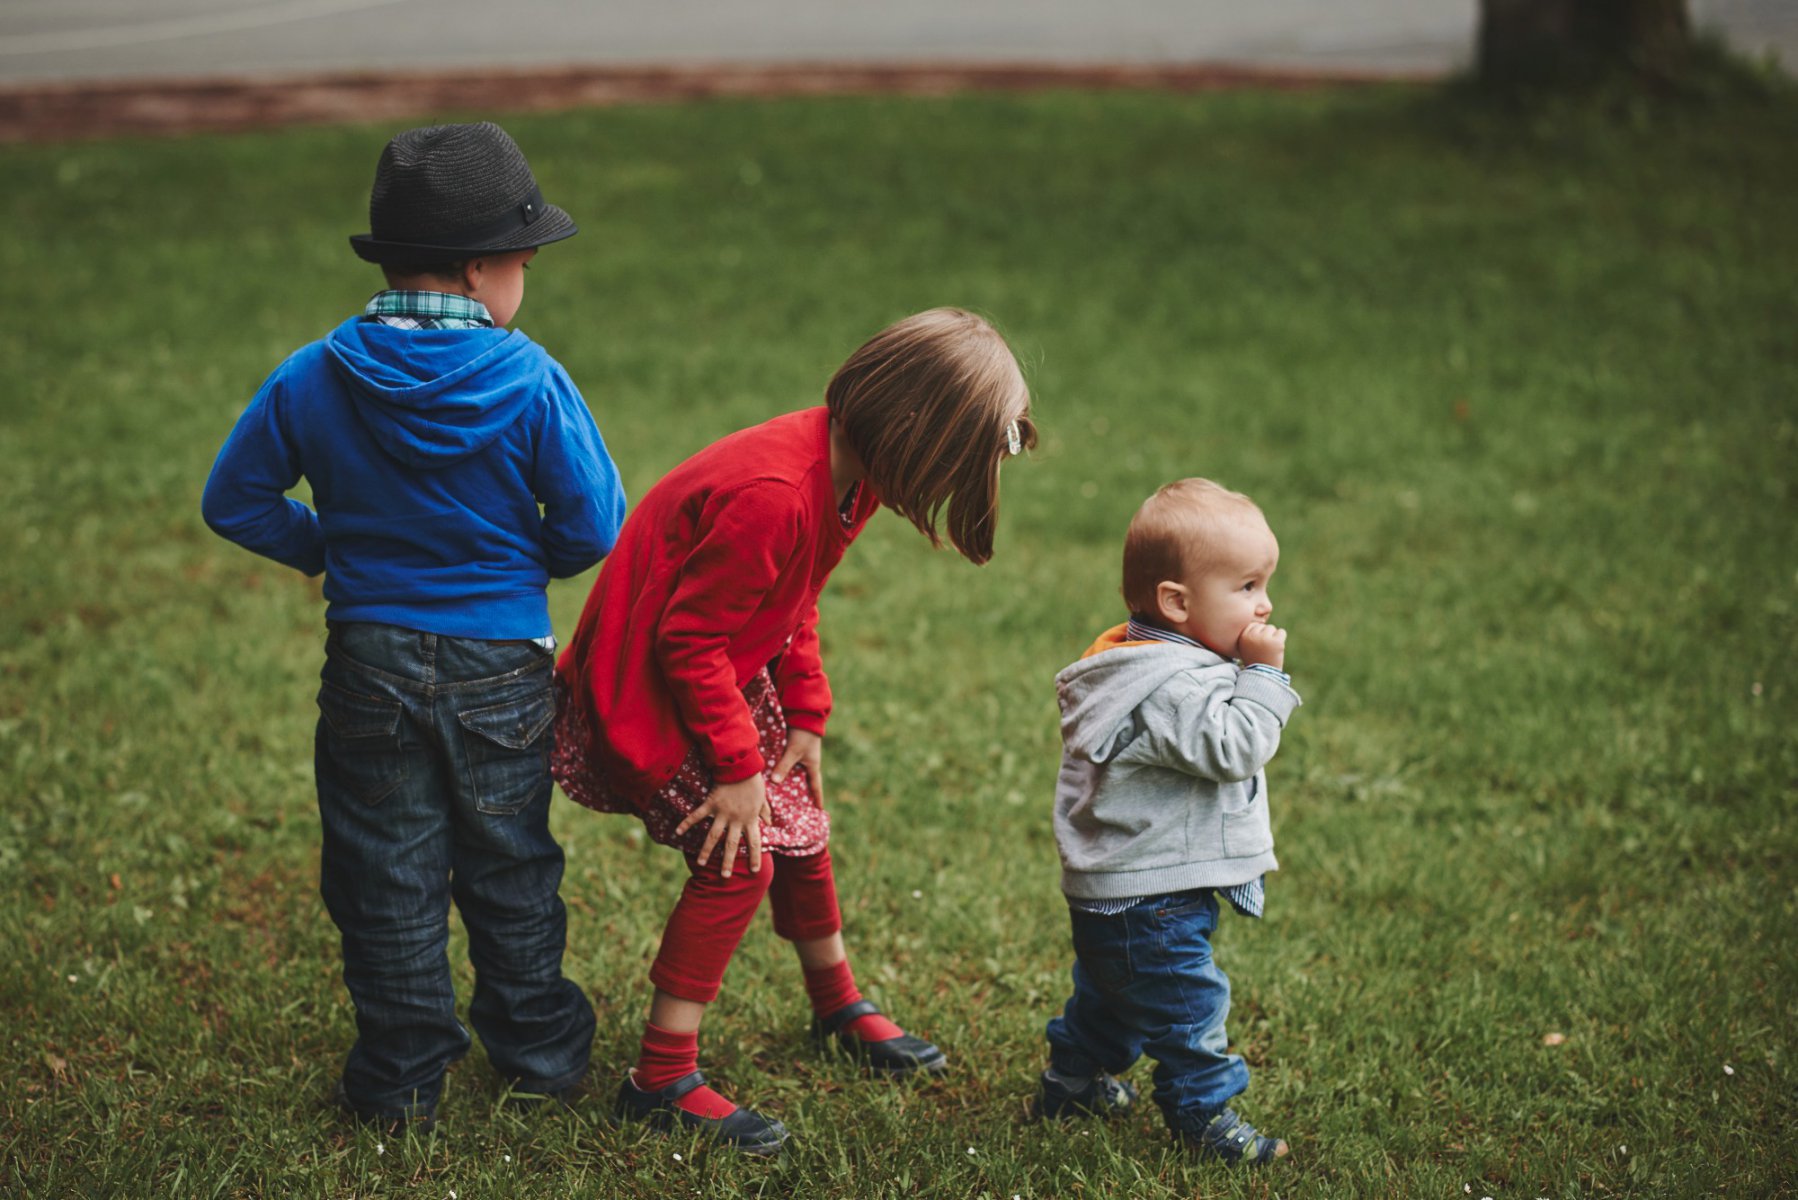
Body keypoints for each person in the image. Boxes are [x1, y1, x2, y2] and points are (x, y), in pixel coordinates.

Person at [200, 122, 625, 1133]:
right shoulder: (530, 378)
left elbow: (236, 500)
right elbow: (593, 525)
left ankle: (398, 1081)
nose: (524, 282)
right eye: (524, 263)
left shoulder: (313, 374)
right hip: (501, 667)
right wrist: (519, 567)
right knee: (510, 862)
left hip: (368, 662)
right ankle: (539, 1053)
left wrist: (328, 548)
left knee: (383, 871)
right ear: (479, 269)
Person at [553, 307, 1035, 1156]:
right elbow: (685, 639)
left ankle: (836, 1004)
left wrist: (805, 712)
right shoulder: (774, 494)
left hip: (721, 674)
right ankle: (660, 1077)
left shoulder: (851, 475)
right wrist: (738, 769)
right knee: (739, 858)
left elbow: (793, 596)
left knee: (801, 826)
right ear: (918, 437)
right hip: (647, 692)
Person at [1036, 477, 1299, 1166]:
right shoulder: (1171, 685)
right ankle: (1203, 1116)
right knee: (1189, 1009)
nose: (1265, 603)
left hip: (1125, 888)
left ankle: (1072, 1083)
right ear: (1177, 602)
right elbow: (1234, 748)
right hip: (1153, 894)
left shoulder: (1139, 662)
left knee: (1112, 998)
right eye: (1247, 586)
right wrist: (1264, 678)